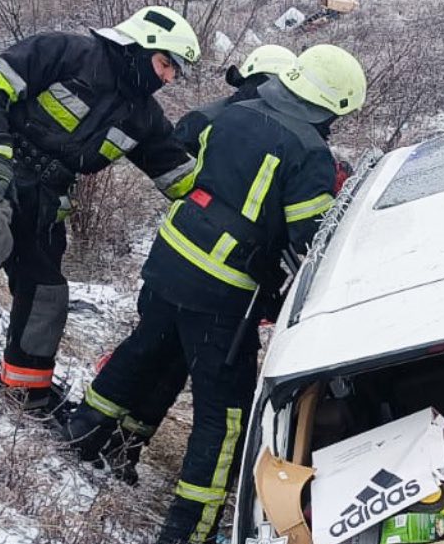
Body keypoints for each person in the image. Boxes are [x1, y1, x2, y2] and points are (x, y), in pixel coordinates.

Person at [59, 44, 366, 544]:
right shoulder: (310, 153)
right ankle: (187, 537)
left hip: (169, 262)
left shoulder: (235, 112)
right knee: (222, 420)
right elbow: (310, 240)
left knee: (143, 351)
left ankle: (85, 434)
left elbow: (181, 167)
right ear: (331, 105)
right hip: (222, 292)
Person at [0, 6, 201, 406]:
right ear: (137, 45)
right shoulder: (66, 51)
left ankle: (26, 389)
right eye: (165, 63)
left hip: (46, 197)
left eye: (175, 72)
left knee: (48, 291)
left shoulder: (144, 117)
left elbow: (183, 179)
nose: (167, 78)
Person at [70, 45, 307, 475]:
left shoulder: (228, 120)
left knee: (163, 360)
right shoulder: (218, 121)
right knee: (154, 356)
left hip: (185, 263)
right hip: (201, 269)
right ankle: (104, 439)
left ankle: (121, 445)